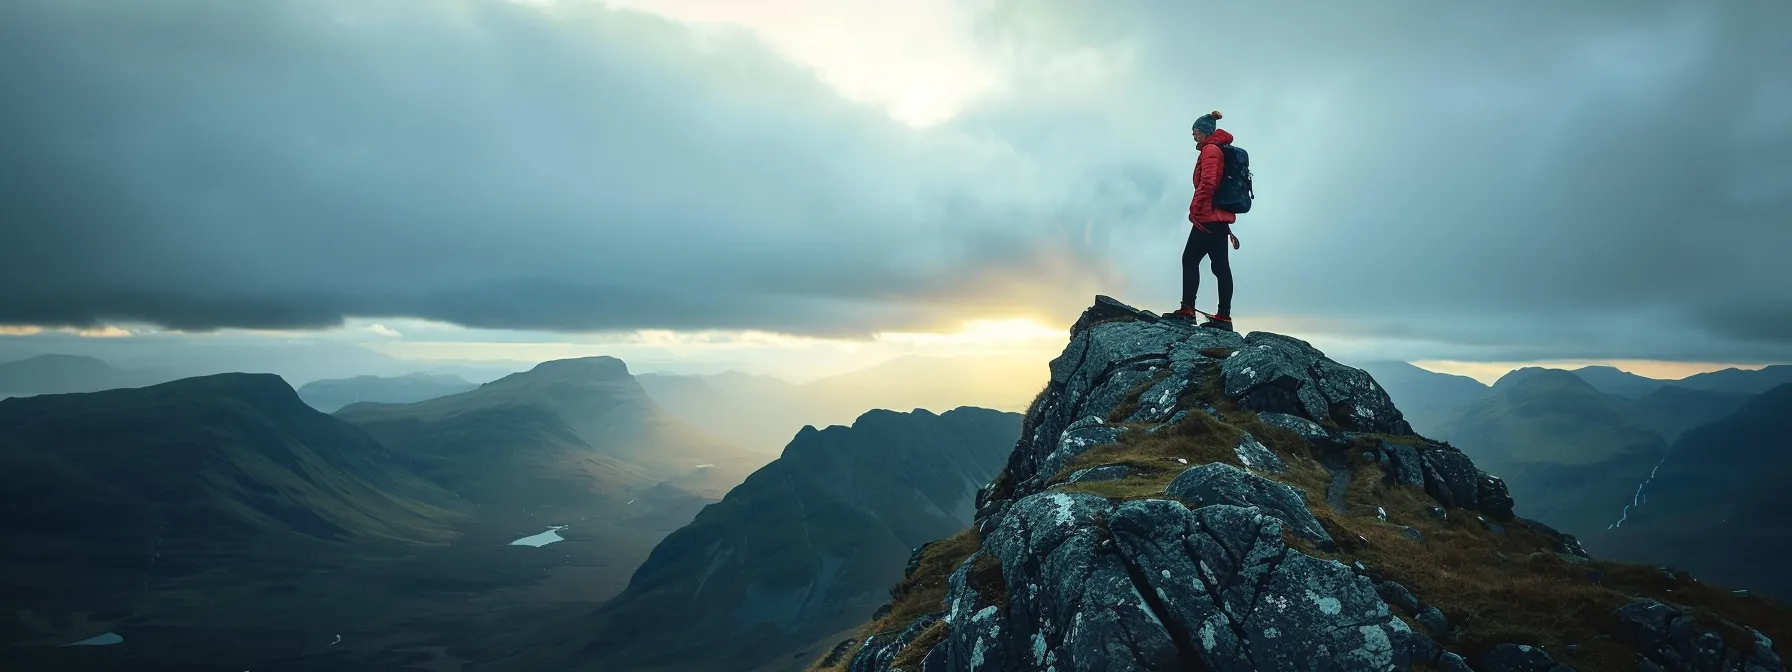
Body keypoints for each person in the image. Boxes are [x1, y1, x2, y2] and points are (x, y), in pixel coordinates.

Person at [1171, 110, 1242, 331]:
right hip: (1217, 218)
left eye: (1196, 131)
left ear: (1205, 132)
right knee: (1220, 267)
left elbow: (1209, 182)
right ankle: (1223, 316)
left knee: (1190, 259)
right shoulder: (1218, 149)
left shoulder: (1211, 150)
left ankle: (1188, 310)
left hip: (1208, 217)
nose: (1194, 136)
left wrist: (1195, 206)